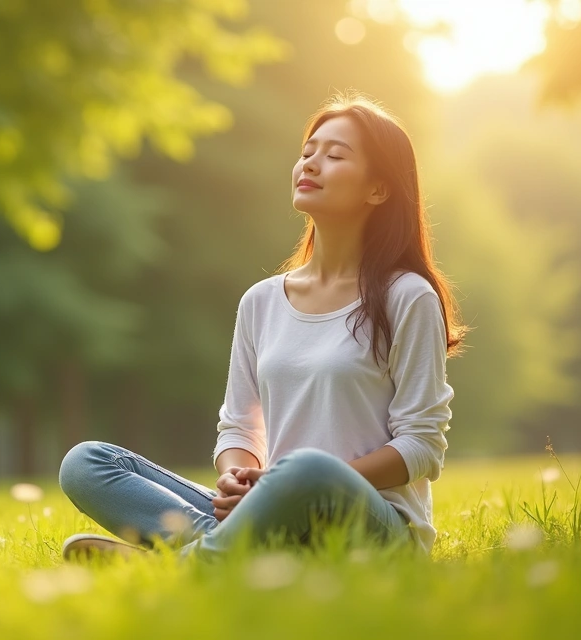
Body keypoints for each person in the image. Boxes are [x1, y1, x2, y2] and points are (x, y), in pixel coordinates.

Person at [57, 91, 468, 561]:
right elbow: (239, 427)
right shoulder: (262, 301)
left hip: (374, 526)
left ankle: (189, 564)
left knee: (307, 470)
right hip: (270, 507)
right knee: (87, 463)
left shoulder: (407, 296)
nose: (310, 164)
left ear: (378, 189)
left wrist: (296, 479)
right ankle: (233, 550)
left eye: (334, 156)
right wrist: (239, 478)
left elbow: (421, 447)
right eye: (307, 152)